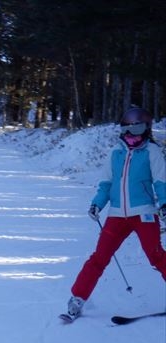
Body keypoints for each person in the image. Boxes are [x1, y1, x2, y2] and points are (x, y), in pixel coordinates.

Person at [64, 107, 166, 321]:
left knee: (156, 255)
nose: (132, 134)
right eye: (128, 129)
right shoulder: (115, 153)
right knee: (99, 257)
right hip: (117, 215)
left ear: (146, 129)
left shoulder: (152, 152)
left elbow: (161, 182)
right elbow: (106, 183)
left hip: (144, 214)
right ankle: (77, 299)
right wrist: (97, 204)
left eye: (136, 129)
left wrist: (164, 204)